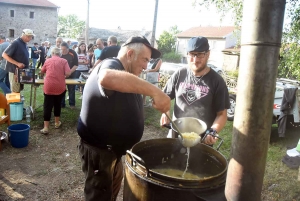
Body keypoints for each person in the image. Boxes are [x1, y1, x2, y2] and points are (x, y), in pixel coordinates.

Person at [77, 35, 170, 201]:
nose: (146, 66)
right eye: (144, 59)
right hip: (100, 152)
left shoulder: (127, 74)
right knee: (98, 196)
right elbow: (106, 78)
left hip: (112, 152)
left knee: (110, 192)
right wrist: (156, 91)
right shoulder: (111, 64)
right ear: (129, 54)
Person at [160, 36, 230, 145]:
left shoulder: (217, 81)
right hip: (176, 134)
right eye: (192, 54)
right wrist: (166, 112)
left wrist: (213, 131)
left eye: (200, 54)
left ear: (208, 54)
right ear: (187, 54)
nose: (195, 60)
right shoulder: (179, 74)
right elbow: (165, 97)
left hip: (202, 139)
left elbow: (222, 114)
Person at [40, 47, 71, 134]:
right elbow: (68, 73)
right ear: (60, 54)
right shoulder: (64, 61)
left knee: (47, 106)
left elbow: (42, 71)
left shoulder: (47, 61)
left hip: (49, 86)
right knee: (57, 104)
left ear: (52, 53)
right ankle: (57, 123)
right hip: (60, 86)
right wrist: (63, 76)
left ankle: (46, 127)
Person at [60, 42, 78, 109]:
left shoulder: (73, 53)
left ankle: (72, 104)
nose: (63, 51)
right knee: (62, 89)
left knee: (71, 89)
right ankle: (62, 104)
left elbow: (76, 65)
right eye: (61, 49)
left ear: (68, 48)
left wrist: (69, 73)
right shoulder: (59, 53)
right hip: (61, 74)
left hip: (72, 73)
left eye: (64, 49)